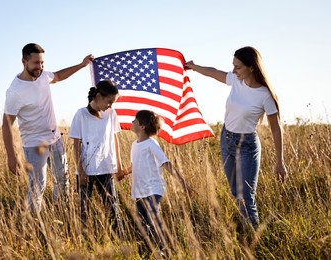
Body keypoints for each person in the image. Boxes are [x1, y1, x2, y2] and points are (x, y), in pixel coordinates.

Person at [185, 46, 288, 229]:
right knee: (235, 191)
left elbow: (276, 129)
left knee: (246, 196)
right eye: (233, 66)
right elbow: (214, 73)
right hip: (227, 139)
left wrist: (280, 162)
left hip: (247, 145)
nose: (233, 70)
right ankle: (244, 225)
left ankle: (252, 238)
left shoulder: (265, 96)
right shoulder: (236, 80)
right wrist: (194, 67)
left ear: (252, 67)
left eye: (238, 67)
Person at [2, 43, 93, 213]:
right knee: (38, 185)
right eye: (36, 63)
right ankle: (32, 222)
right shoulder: (15, 91)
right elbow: (6, 125)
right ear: (24, 61)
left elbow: (58, 76)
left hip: (56, 139)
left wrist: (81, 65)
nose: (40, 67)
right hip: (35, 145)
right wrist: (11, 157)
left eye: (42, 63)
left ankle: (63, 214)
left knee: (63, 180)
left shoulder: (43, 76)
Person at [119, 110, 190, 255]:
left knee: (153, 220)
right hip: (139, 191)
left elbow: (166, 163)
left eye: (135, 120)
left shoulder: (152, 144)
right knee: (142, 224)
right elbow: (134, 166)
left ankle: (164, 252)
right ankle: (145, 253)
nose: (132, 122)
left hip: (153, 190)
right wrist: (123, 173)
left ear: (142, 126)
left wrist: (183, 182)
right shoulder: (134, 145)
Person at [69, 80, 125, 237]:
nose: (110, 106)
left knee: (112, 207)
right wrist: (81, 171)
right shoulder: (81, 114)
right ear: (99, 96)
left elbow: (115, 140)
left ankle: (120, 241)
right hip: (86, 170)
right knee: (84, 209)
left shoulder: (111, 114)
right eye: (109, 102)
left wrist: (119, 167)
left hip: (106, 168)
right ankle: (84, 241)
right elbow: (76, 143)